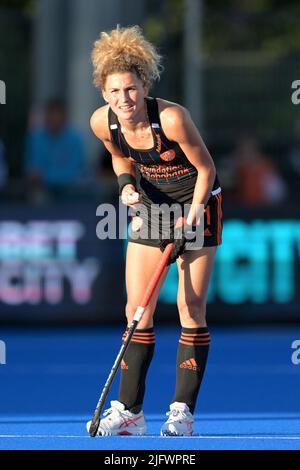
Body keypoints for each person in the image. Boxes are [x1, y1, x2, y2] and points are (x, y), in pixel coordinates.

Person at [87, 26, 223, 437]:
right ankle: (130, 412)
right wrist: (126, 185)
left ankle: (182, 412)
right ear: (103, 93)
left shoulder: (172, 117)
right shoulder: (102, 123)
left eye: (131, 89)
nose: (124, 100)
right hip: (151, 210)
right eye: (114, 92)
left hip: (198, 203)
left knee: (191, 308)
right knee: (137, 311)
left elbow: (207, 170)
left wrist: (194, 215)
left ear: (144, 85)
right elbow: (119, 159)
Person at [25, 99, 88, 202]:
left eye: (58, 114)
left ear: (65, 116)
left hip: (71, 190)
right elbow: (33, 170)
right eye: (52, 113)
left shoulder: (76, 138)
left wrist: (49, 177)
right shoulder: (35, 138)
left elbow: (78, 170)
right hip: (44, 190)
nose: (55, 117)